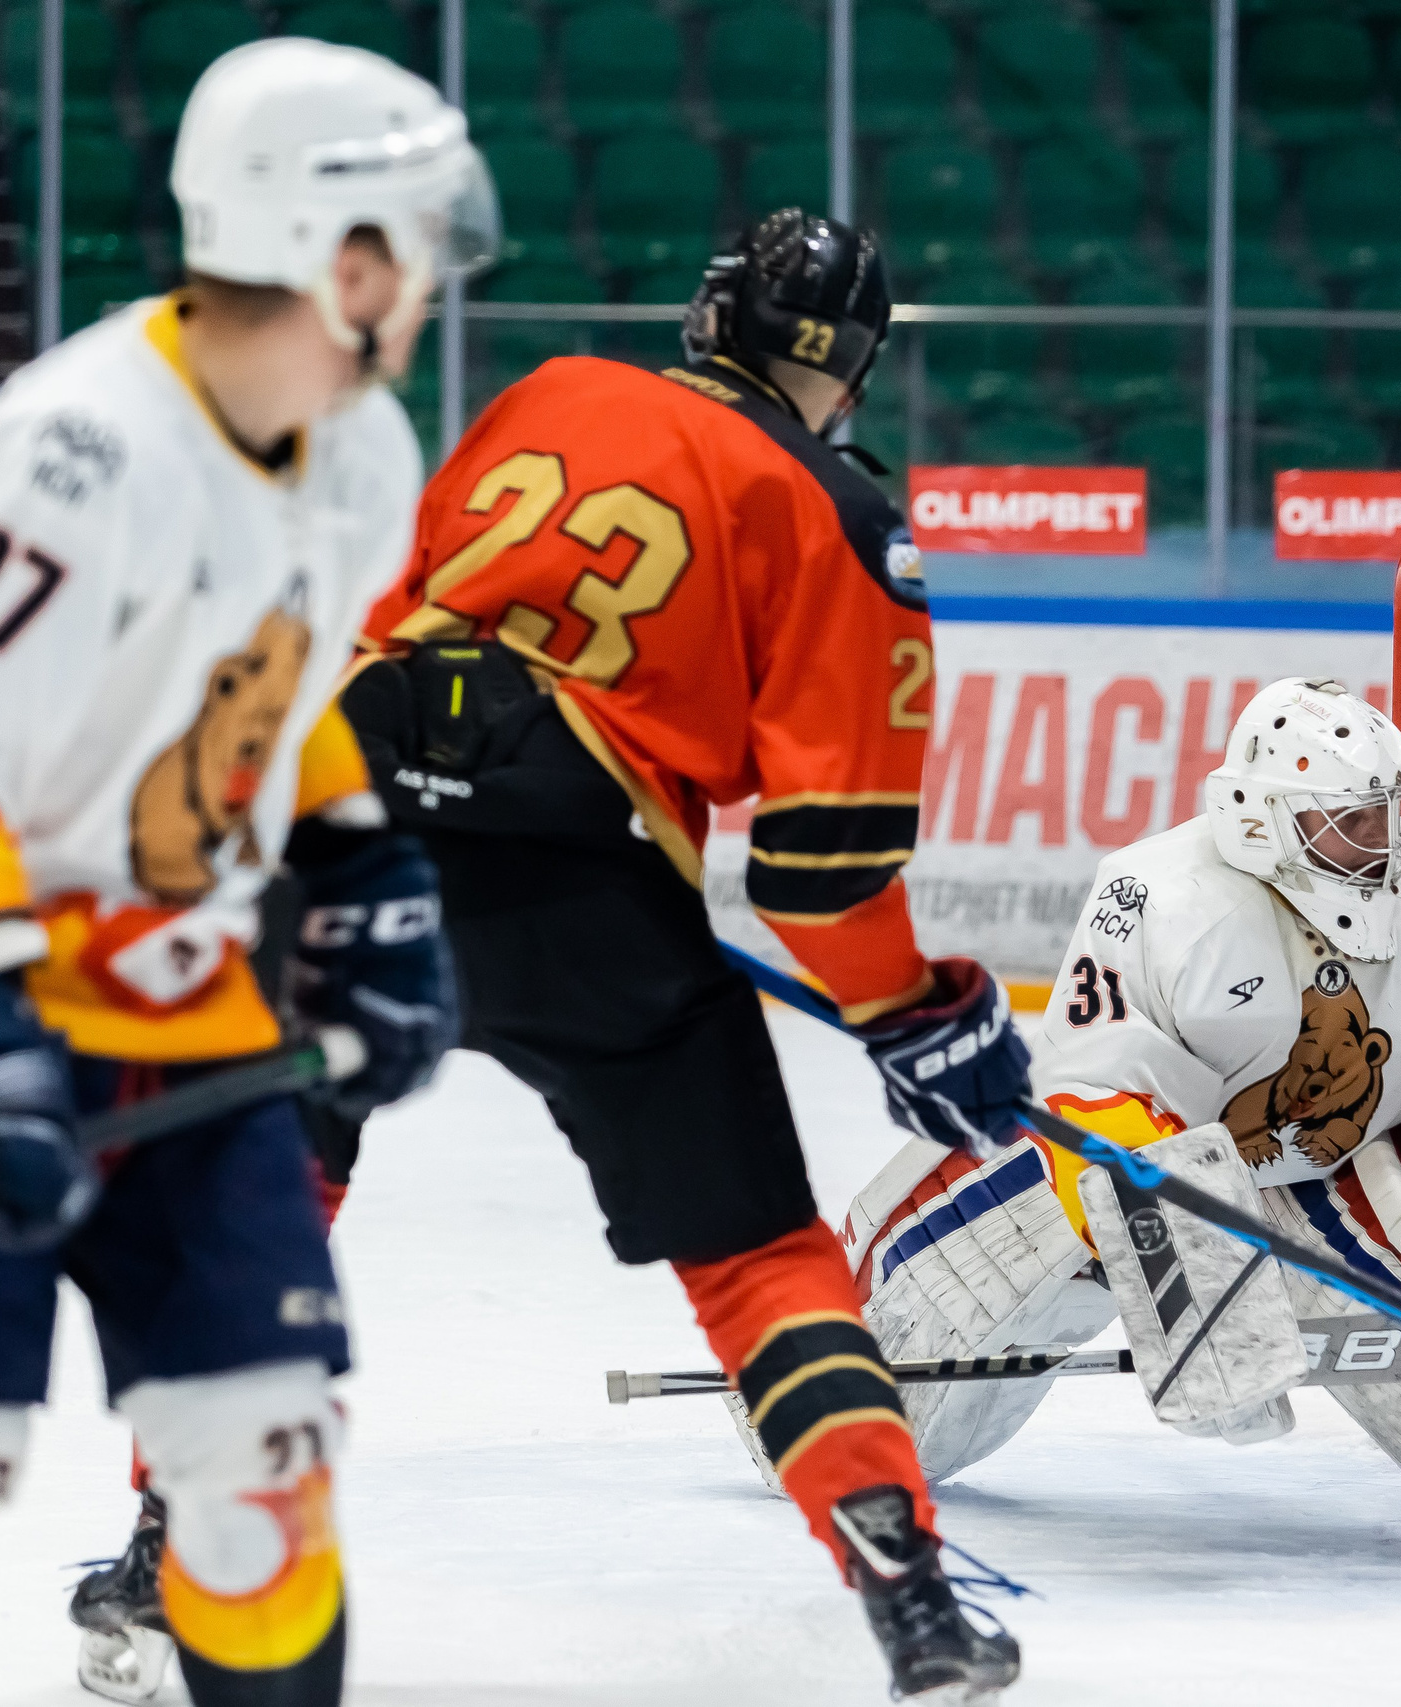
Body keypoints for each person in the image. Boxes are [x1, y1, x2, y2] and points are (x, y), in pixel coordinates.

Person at [0, 39, 489, 1707]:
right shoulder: (76, 455)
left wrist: (363, 871)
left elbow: (280, 708)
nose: (437, 281)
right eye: (422, 243)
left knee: (263, 1478)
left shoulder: (358, 459)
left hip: (166, 986)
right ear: (343, 257)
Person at [338, 208, 1031, 1701]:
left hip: (346, 830)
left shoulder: (546, 396)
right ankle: (906, 1588)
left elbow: (373, 620)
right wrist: (919, 1011)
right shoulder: (840, 512)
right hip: (590, 886)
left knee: (254, 1187)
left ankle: (158, 1562)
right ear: (848, 363)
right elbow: (822, 865)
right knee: (762, 1258)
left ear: (709, 319)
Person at [835, 677, 1401, 1583]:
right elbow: (1092, 1104)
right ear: (1257, 815)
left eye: (1390, 813)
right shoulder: (1159, 896)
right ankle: (832, 1382)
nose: (1383, 841)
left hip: (1343, 1156)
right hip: (1119, 1170)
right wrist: (1191, 1280)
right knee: (891, 1406)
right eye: (1347, 820)